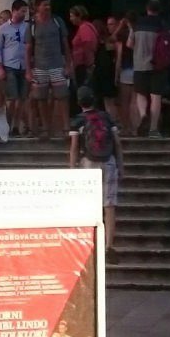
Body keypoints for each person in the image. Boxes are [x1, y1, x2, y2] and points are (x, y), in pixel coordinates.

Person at [66, 88, 122, 240]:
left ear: (79, 102)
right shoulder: (106, 117)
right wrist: (120, 165)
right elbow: (117, 143)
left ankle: (91, 241)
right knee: (109, 205)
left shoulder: (78, 120)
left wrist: (72, 168)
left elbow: (74, 147)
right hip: (109, 161)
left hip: (88, 162)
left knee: (89, 203)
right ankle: (109, 245)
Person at [25, 0, 71, 138]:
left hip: (57, 64)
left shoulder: (57, 21)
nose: (48, 7)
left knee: (62, 96)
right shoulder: (32, 25)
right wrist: (28, 70)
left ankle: (66, 127)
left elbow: (65, 44)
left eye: (49, 4)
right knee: (41, 98)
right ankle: (45, 128)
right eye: (45, 5)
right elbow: (28, 48)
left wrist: (68, 64)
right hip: (39, 67)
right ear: (37, 7)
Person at [129, 0, 170, 137]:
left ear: (147, 8)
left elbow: (130, 44)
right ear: (159, 10)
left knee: (141, 94)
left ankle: (143, 115)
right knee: (156, 97)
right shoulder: (163, 24)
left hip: (140, 65)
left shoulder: (137, 24)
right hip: (157, 65)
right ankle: (153, 129)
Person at [67, 5, 99, 103]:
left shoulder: (84, 28)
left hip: (83, 65)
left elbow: (88, 44)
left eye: (72, 16)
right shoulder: (86, 27)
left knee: (82, 90)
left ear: (79, 16)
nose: (70, 18)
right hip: (81, 64)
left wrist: (89, 64)